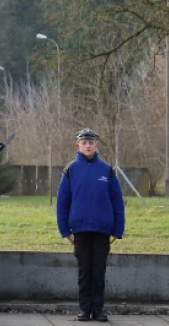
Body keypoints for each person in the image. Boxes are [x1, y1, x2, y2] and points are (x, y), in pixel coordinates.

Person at [56, 128, 126, 322]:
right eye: (84, 142)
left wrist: (117, 229)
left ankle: (99, 309)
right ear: (78, 145)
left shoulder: (106, 171)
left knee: (99, 271)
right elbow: (63, 201)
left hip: (102, 229)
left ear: (96, 145)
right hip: (80, 229)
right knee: (84, 271)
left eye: (91, 142)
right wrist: (64, 229)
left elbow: (117, 201)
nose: (88, 145)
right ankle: (84, 309)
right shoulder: (70, 170)